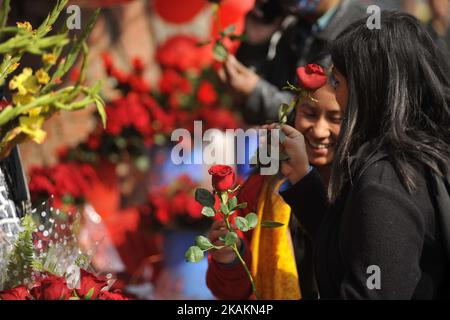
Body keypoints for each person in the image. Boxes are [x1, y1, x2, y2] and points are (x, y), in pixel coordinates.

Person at [278, 11, 450, 299]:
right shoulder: (425, 154)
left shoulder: (388, 179)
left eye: (337, 83)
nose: (335, 93)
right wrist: (303, 180)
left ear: (365, 89)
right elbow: (359, 247)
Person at [206, 61, 343, 300]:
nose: (320, 130)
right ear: (292, 115)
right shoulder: (264, 186)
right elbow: (232, 293)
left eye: (336, 118)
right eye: (309, 114)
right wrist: (230, 257)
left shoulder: (361, 187)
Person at [218, 0, 365, 125]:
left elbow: (323, 116)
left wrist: (256, 93)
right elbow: (254, 111)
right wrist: (255, 45)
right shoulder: (294, 25)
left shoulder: (361, 32)